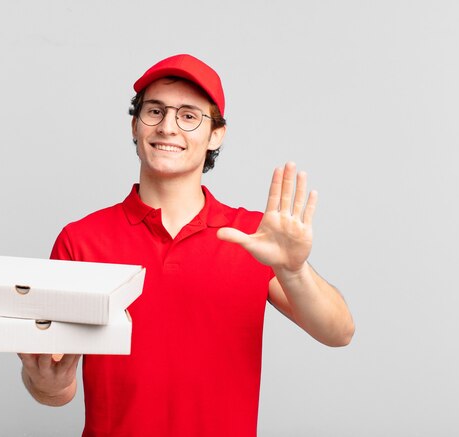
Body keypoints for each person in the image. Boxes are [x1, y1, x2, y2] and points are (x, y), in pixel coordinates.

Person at [19, 54, 355, 436]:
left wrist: (293, 270)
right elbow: (52, 386)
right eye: (155, 111)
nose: (168, 127)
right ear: (134, 125)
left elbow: (339, 332)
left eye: (189, 115)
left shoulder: (253, 237)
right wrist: (50, 384)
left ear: (216, 134)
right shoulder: (81, 240)